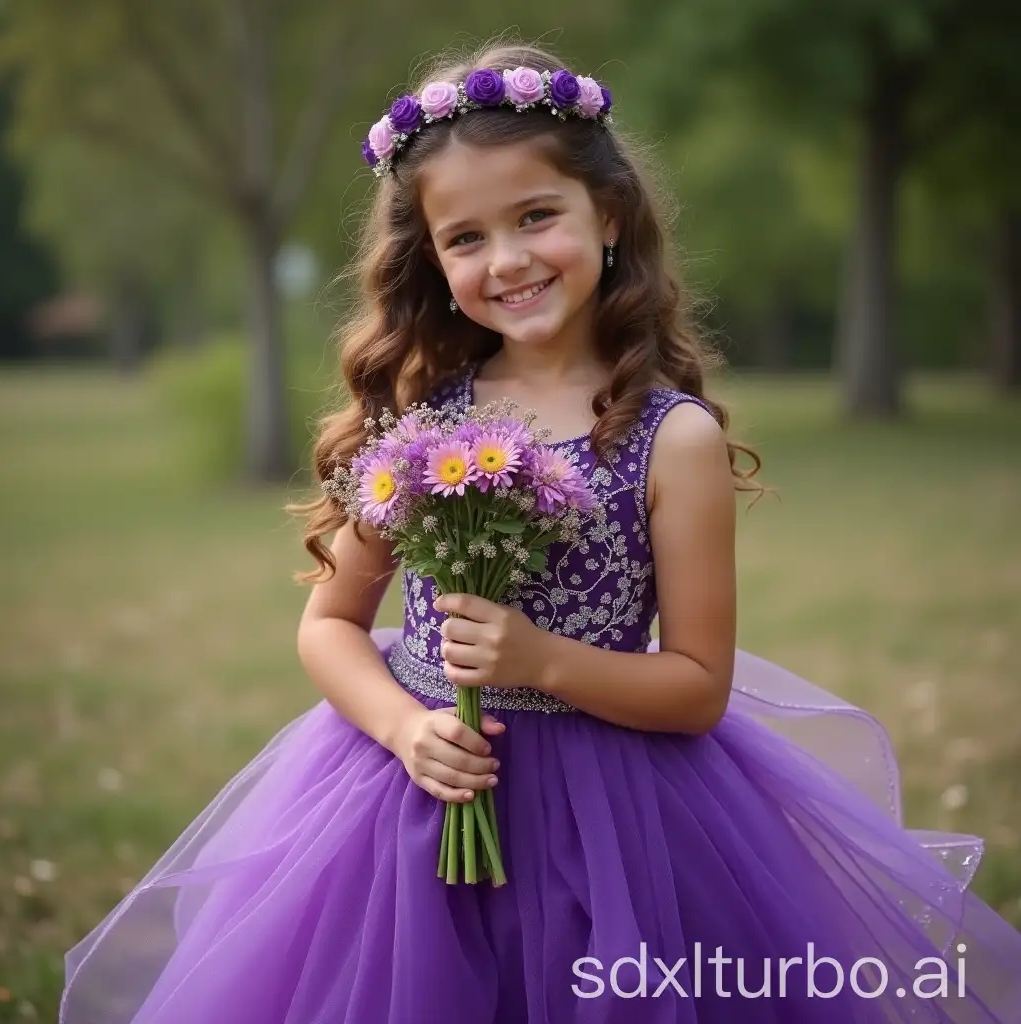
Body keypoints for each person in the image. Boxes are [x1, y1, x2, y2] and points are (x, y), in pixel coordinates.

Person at [60, 40, 1021, 1024]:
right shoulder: (417, 416)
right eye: (465, 237)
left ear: (607, 216)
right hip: (411, 802)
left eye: (535, 216)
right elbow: (329, 624)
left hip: (619, 821)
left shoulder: (667, 439)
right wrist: (404, 727)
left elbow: (695, 687)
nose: (508, 259)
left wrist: (537, 658)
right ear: (431, 260)